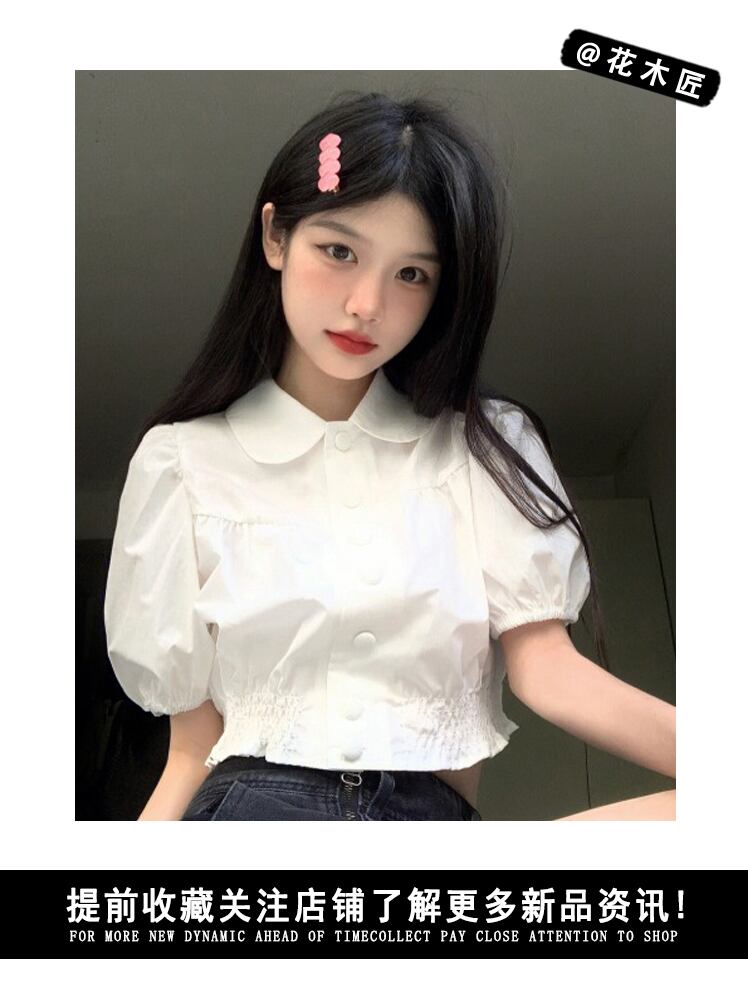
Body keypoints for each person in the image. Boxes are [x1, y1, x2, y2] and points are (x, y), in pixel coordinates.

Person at [103, 91, 676, 821]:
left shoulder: (484, 448)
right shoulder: (183, 463)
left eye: (412, 274)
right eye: (339, 251)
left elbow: (550, 675)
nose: (366, 304)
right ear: (276, 237)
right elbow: (192, 751)